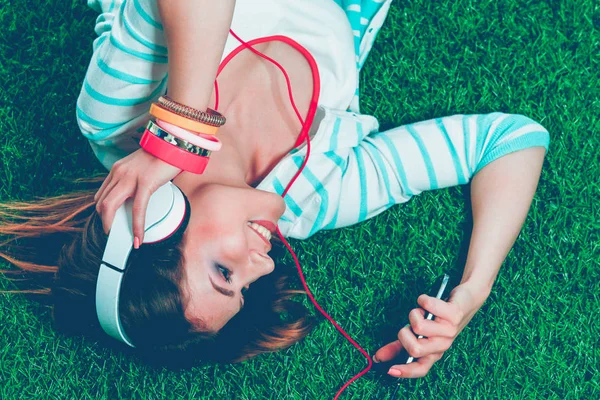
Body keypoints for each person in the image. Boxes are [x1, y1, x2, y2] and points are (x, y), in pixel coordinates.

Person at [0, 0, 549, 379]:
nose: (262, 267)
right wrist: (473, 290)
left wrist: (179, 129)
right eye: (243, 288)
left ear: (157, 218)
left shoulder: (119, 117)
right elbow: (511, 139)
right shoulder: (313, 196)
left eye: (223, 273)